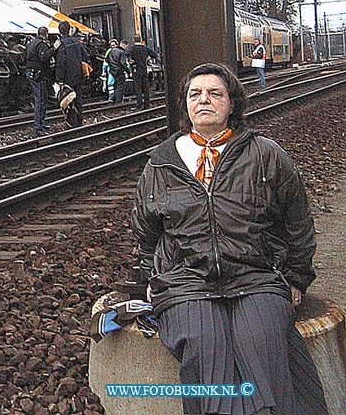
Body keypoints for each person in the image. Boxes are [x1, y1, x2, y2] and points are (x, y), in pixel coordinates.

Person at [132, 63, 327, 415]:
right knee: (205, 343)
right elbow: (147, 232)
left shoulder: (266, 154)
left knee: (261, 341)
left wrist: (297, 277)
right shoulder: (161, 164)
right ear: (185, 105)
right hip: (185, 281)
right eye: (195, 94)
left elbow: (297, 222)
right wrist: (149, 277)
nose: (203, 100)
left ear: (232, 104)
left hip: (257, 276)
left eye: (214, 93)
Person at [24, 26, 56, 137]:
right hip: (38, 74)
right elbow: (44, 57)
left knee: (41, 98)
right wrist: (53, 49)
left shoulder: (31, 43)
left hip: (31, 72)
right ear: (46, 34)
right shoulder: (41, 44)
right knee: (40, 99)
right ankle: (38, 127)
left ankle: (41, 123)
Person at [54, 20, 84, 127]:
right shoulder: (77, 42)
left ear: (59, 31)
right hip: (78, 74)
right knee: (78, 98)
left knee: (68, 99)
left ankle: (72, 123)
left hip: (67, 76)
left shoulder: (61, 44)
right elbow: (85, 57)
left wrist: (59, 79)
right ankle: (80, 120)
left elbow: (61, 63)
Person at [126, 35, 160, 110]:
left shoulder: (132, 48)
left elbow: (126, 54)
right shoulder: (145, 48)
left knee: (138, 88)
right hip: (144, 69)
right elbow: (154, 54)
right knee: (146, 87)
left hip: (136, 70)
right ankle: (147, 105)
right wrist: (148, 58)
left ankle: (139, 105)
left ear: (133, 40)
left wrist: (131, 60)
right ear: (140, 40)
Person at [106, 39, 129, 104]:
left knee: (115, 86)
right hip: (119, 71)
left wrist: (111, 66)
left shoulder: (110, 51)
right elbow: (123, 63)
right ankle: (119, 101)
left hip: (112, 71)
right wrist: (127, 70)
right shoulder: (121, 52)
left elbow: (106, 59)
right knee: (120, 87)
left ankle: (113, 100)